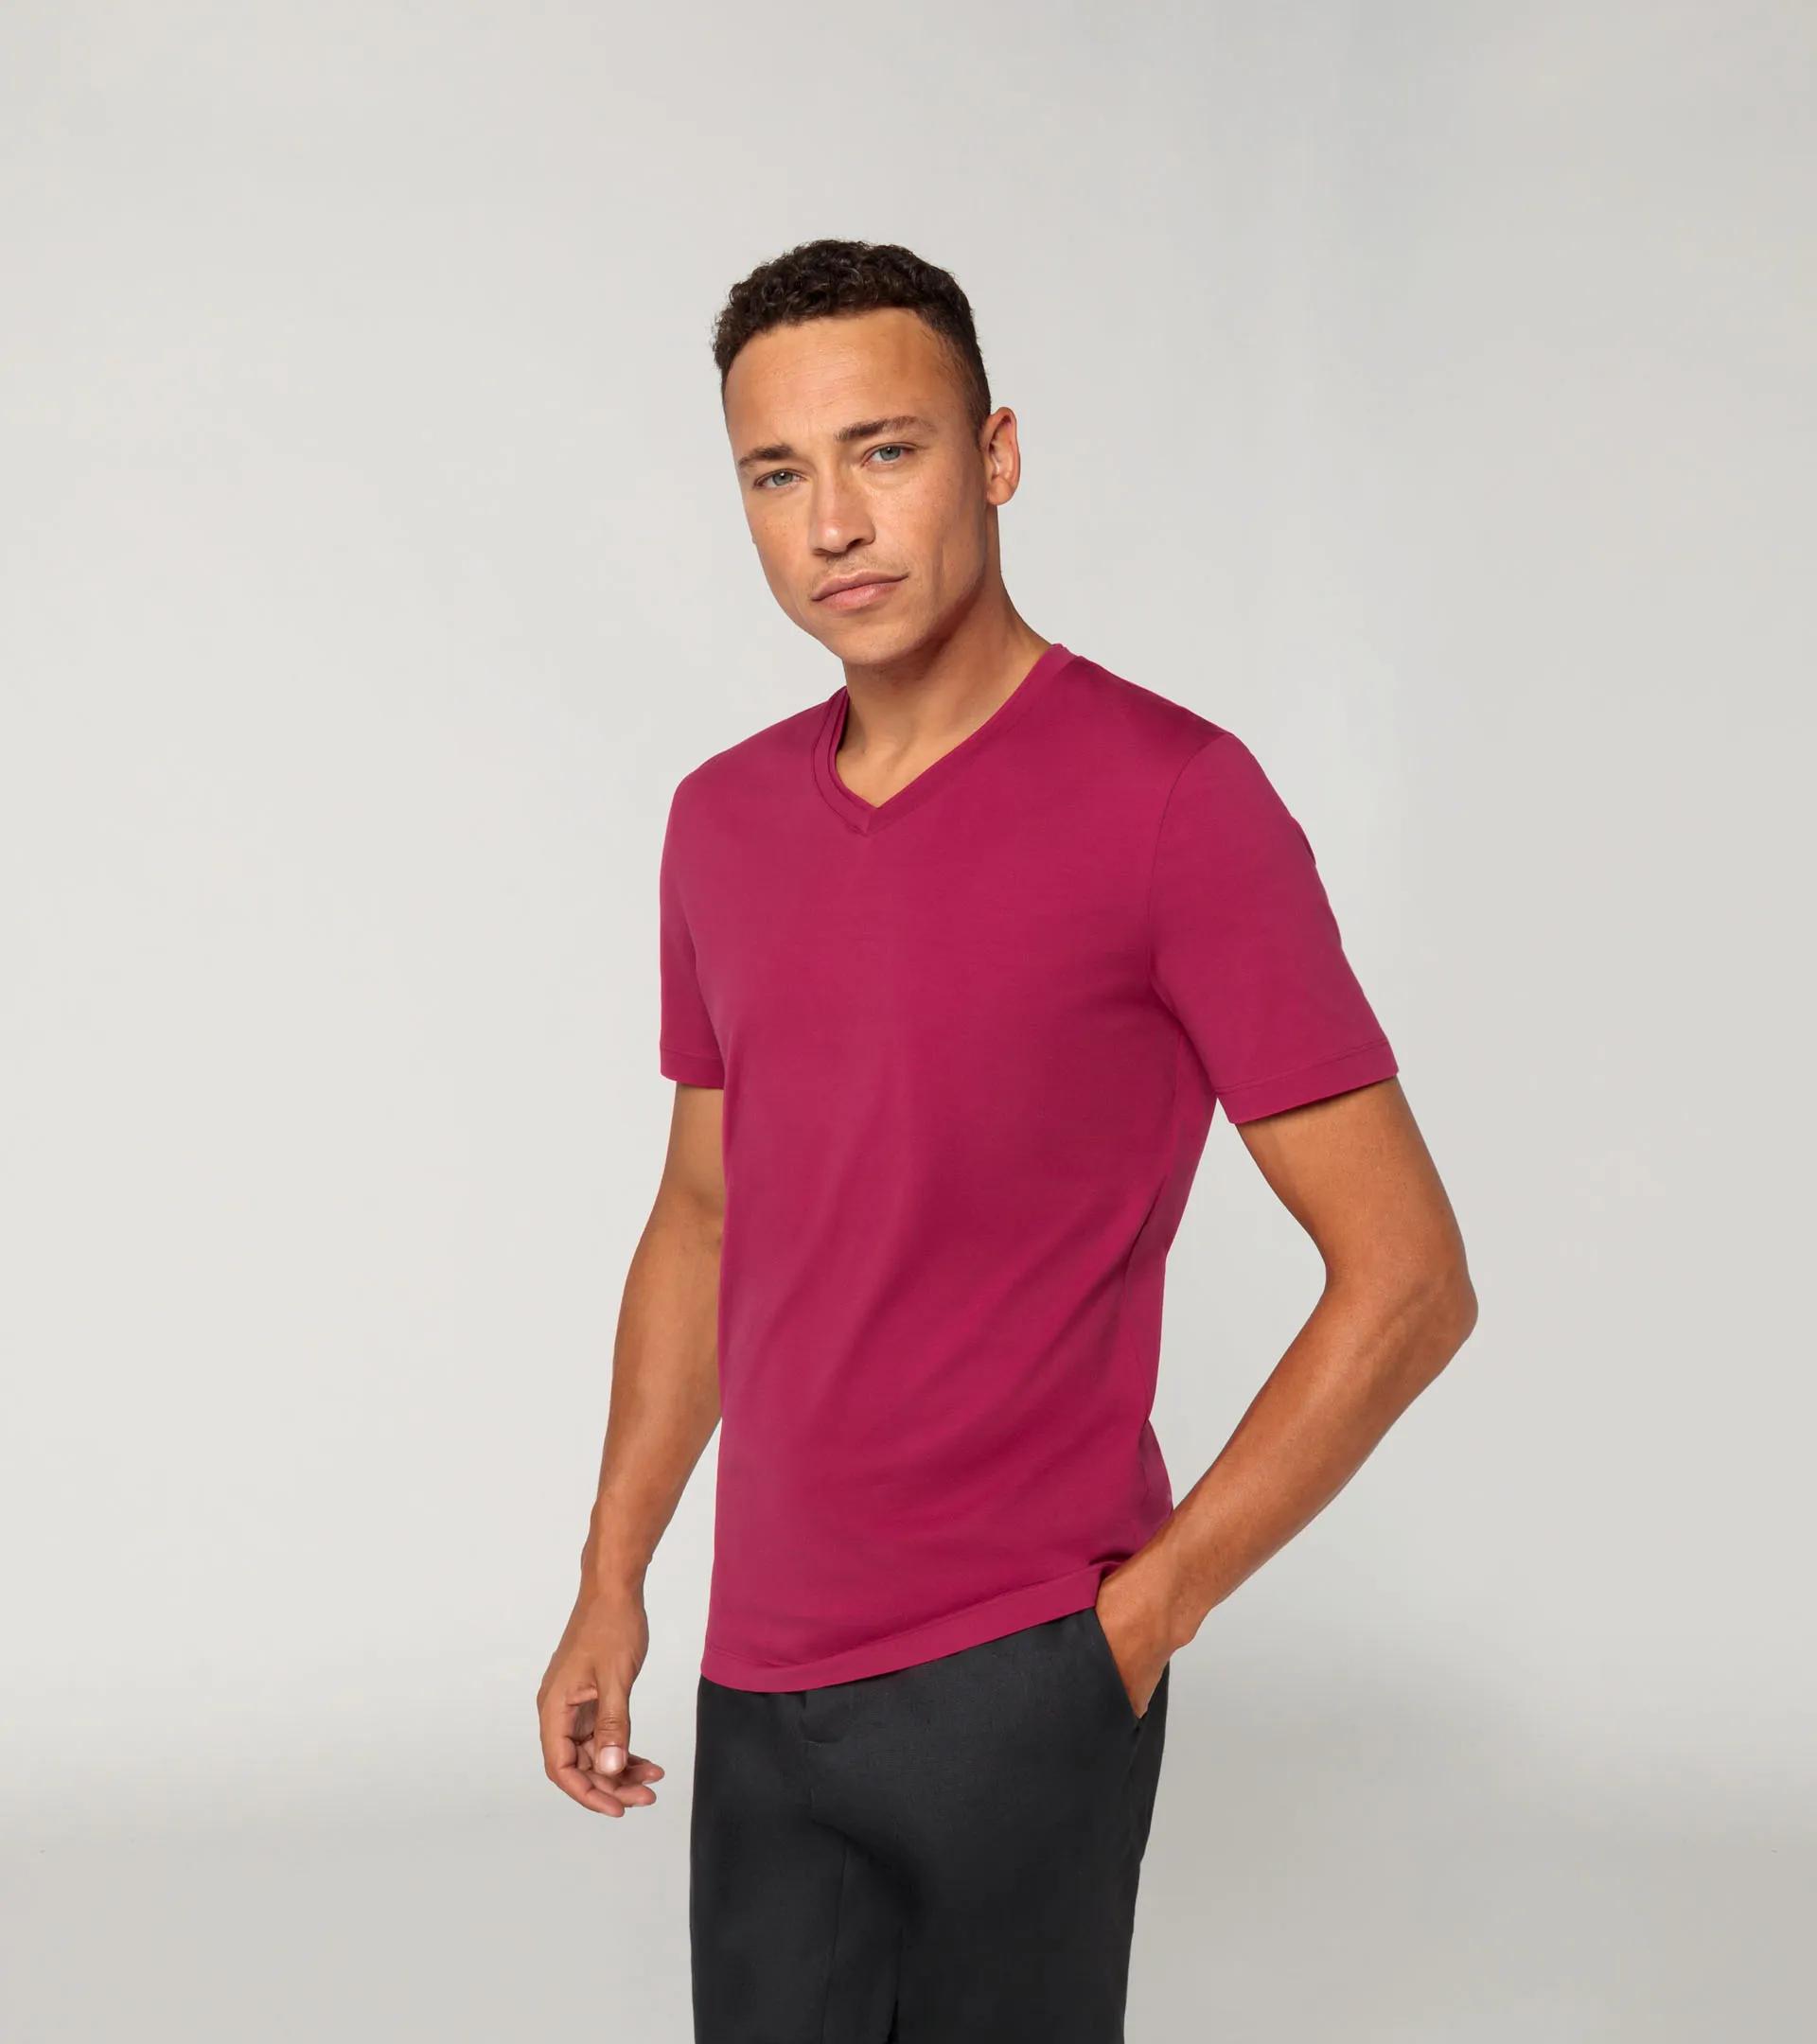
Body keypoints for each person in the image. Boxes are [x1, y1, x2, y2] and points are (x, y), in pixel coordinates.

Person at [538, 237, 1477, 2042]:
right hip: (758, 1680)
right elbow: (704, 1216)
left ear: (996, 455)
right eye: (776, 474)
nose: (833, 524)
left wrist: (1140, 1623)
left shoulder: (1176, 803)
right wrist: (612, 1572)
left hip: (1022, 1680)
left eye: (884, 450)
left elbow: (1411, 1279)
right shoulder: (719, 822)